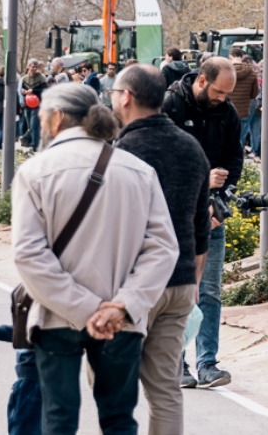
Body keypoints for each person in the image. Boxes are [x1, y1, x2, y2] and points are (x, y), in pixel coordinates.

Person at [12, 82, 178, 435]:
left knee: (58, 420)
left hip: (57, 316)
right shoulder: (138, 170)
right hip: (123, 321)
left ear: (56, 118)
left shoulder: (35, 171)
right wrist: (120, 306)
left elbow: (28, 253)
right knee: (119, 419)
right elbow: (163, 248)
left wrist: (87, 308)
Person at [109, 65, 209, 435]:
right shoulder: (190, 146)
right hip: (181, 283)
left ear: (127, 97)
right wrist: (193, 280)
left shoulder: (123, 151)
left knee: (114, 388)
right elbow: (202, 224)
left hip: (135, 287)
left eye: (113, 92)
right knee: (166, 388)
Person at [160, 57, 240, 390]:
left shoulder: (228, 112)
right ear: (202, 81)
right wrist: (200, 182)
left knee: (209, 291)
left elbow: (234, 161)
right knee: (176, 290)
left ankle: (208, 363)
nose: (223, 99)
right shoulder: (170, 105)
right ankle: (176, 363)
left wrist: (220, 204)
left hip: (210, 215)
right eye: (220, 92)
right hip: (174, 216)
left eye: (227, 94)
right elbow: (160, 161)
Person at [228, 47, 259, 156]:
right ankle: (238, 157)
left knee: (227, 135)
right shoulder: (251, 71)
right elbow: (255, 93)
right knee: (241, 135)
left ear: (230, 57)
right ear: (242, 57)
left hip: (228, 109)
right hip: (244, 109)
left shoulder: (226, 70)